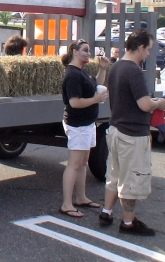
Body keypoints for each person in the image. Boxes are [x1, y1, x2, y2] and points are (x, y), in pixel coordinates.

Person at [99, 30, 165, 235]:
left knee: (114, 175)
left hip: (116, 129)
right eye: (147, 49)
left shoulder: (116, 67)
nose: (148, 54)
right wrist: (159, 103)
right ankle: (128, 223)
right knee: (131, 179)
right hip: (132, 134)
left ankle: (106, 211)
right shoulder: (134, 71)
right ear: (139, 48)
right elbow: (144, 104)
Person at [59, 39, 109, 218]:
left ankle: (81, 197)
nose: (89, 53)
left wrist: (102, 69)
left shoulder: (82, 72)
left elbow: (96, 86)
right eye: (85, 50)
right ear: (75, 52)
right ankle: (67, 204)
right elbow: (74, 102)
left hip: (87, 123)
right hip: (77, 124)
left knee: (83, 162)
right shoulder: (72, 74)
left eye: (89, 51)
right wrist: (95, 100)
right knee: (74, 164)